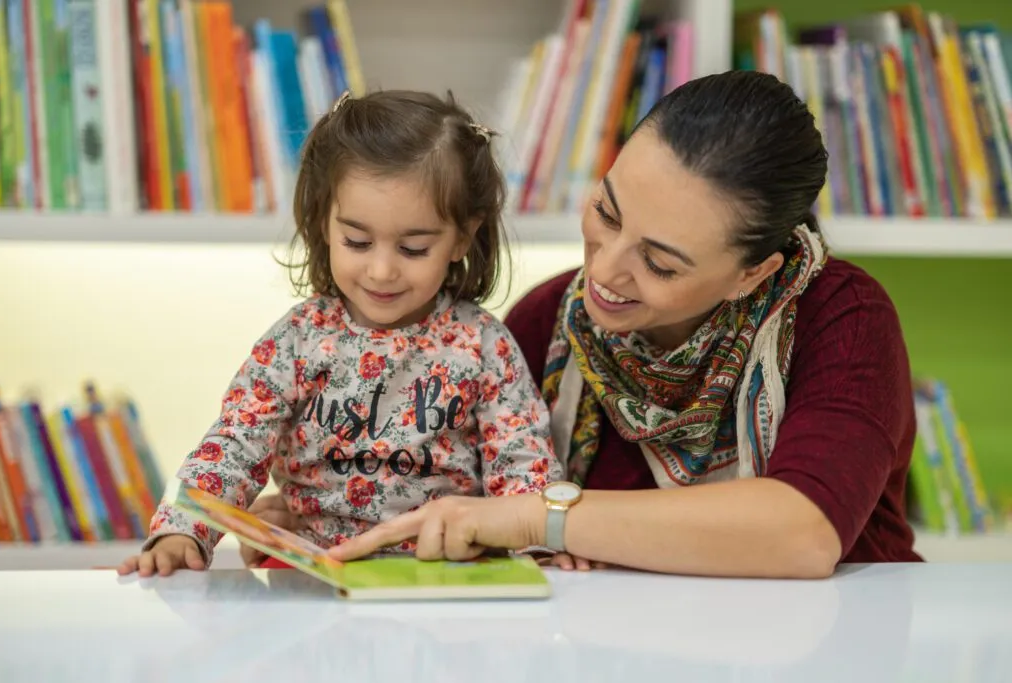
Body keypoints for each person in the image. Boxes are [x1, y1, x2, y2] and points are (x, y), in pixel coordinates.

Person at [244, 69, 922, 579]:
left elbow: (801, 533)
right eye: (607, 209)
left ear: (751, 273)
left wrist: (546, 514)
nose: (605, 270)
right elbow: (466, 512)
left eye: (659, 261)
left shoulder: (842, 317)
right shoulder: (545, 322)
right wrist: (331, 525)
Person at [117, 89, 563, 578]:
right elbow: (236, 441)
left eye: (414, 248)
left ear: (461, 237)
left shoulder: (483, 345)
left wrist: (540, 548)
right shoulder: (298, 340)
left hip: (447, 577)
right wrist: (183, 529)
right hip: (314, 572)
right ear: (322, 223)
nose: (381, 269)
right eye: (357, 241)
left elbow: (522, 460)